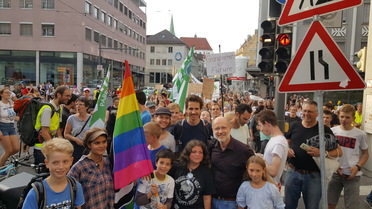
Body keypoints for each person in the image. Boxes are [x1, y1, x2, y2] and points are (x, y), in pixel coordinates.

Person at [284, 100, 342, 209]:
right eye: (305, 111)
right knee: (288, 206)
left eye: (310, 111)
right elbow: (287, 141)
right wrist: (287, 149)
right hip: (293, 172)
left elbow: (339, 152)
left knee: (312, 207)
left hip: (313, 176)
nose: (306, 114)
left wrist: (322, 153)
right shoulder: (295, 125)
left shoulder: (324, 130)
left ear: (317, 113)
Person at [22, 138, 85, 209]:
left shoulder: (75, 187)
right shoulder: (36, 192)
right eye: (55, 162)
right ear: (47, 163)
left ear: (71, 161)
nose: (61, 167)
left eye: (65, 162)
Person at [327, 104, 369, 209]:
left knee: (352, 205)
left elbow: (365, 154)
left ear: (353, 118)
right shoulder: (333, 131)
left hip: (353, 174)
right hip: (335, 172)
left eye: (347, 117)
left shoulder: (360, 134)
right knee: (330, 203)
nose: (344, 120)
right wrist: (334, 166)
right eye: (342, 117)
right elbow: (328, 152)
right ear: (338, 116)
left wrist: (357, 167)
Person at [210, 117, 255, 209]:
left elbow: (255, 172)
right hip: (213, 201)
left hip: (233, 203)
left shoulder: (243, 150)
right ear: (212, 130)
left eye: (223, 128)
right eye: (217, 128)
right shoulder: (211, 148)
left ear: (230, 128)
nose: (220, 131)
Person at [68, 127, 115, 209]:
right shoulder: (80, 166)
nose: (101, 146)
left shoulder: (108, 162)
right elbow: (68, 191)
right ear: (89, 145)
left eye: (104, 142)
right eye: (97, 143)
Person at [171, 140, 215, 209]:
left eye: (201, 152)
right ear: (188, 153)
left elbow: (207, 197)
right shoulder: (177, 167)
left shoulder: (206, 172)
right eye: (194, 152)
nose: (197, 155)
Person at [34, 86, 71, 165]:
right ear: (59, 95)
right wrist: (55, 148)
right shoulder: (47, 109)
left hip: (50, 146)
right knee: (43, 175)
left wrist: (61, 142)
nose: (69, 98)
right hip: (42, 148)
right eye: (67, 96)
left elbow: (57, 128)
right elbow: (44, 133)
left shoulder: (59, 108)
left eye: (70, 96)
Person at [256, 110, 288, 185]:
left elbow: (273, 171)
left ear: (266, 124)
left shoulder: (278, 142)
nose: (261, 129)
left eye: (260, 125)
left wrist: (260, 159)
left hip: (270, 186)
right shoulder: (275, 139)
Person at [64, 96, 92, 165]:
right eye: (76, 104)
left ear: (86, 107)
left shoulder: (92, 119)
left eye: (80, 105)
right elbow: (66, 134)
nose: (78, 107)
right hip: (75, 147)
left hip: (87, 147)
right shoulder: (71, 118)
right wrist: (76, 139)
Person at [0, 88, 19, 167]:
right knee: (9, 150)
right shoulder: (0, 104)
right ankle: (1, 167)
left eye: (9, 92)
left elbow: (14, 116)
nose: (8, 94)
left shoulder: (12, 103)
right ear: (1, 94)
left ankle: (3, 161)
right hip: (2, 127)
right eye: (6, 92)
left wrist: (18, 118)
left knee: (16, 149)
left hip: (11, 127)